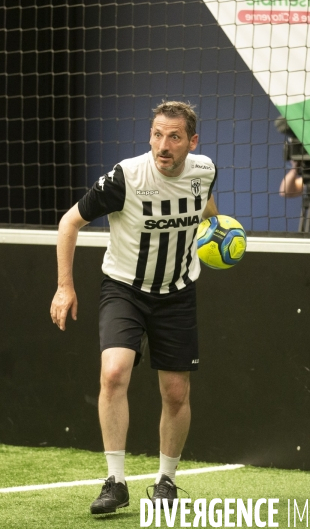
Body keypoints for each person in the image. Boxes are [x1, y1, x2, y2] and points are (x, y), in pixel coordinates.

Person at [50, 101, 219, 514]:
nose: (164, 145)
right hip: (124, 288)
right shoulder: (126, 177)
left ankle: (166, 481)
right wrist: (63, 287)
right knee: (113, 373)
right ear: (150, 136)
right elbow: (68, 222)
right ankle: (116, 482)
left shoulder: (204, 171)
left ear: (191, 142)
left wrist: (220, 234)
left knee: (176, 392)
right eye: (157, 134)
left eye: (174, 136)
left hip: (177, 293)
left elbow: (207, 211)